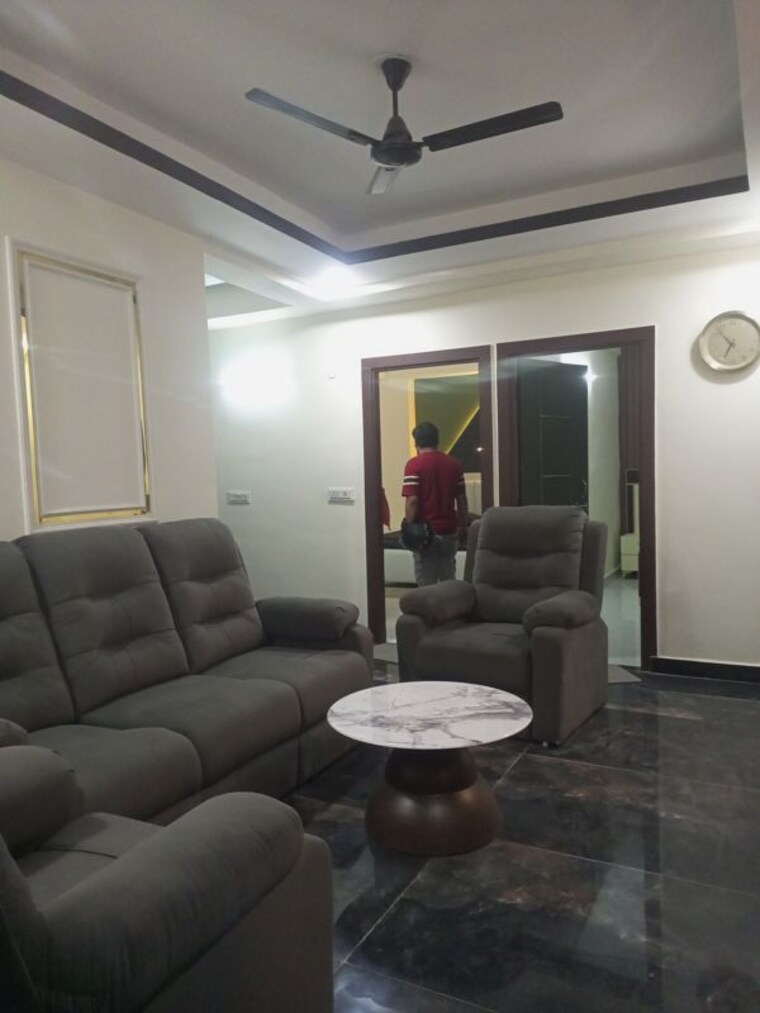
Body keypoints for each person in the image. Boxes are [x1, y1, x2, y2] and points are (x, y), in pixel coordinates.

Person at [401, 421, 468, 586]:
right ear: (437, 440)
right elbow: (461, 499)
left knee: (426, 584)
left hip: (424, 533)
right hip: (449, 530)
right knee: (448, 579)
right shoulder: (454, 464)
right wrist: (463, 526)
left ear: (416, 442)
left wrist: (409, 525)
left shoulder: (414, 465)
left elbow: (412, 500)